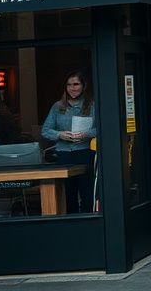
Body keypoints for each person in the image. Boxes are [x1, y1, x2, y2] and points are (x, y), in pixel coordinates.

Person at [41, 71, 96, 213]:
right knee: (67, 195)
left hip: (85, 153)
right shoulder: (58, 106)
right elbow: (45, 130)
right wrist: (60, 135)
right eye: (69, 85)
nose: (72, 88)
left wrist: (86, 134)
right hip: (64, 154)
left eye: (76, 84)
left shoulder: (92, 105)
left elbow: (102, 129)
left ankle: (87, 222)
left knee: (87, 194)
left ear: (83, 86)